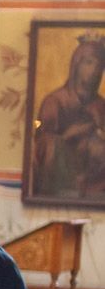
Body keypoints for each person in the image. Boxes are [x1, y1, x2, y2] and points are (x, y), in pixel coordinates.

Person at [32, 35, 105, 199]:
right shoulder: (54, 101)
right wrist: (73, 134)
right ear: (76, 65)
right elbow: (42, 140)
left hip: (94, 182)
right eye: (89, 63)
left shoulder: (101, 105)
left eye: (99, 66)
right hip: (63, 173)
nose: (95, 70)